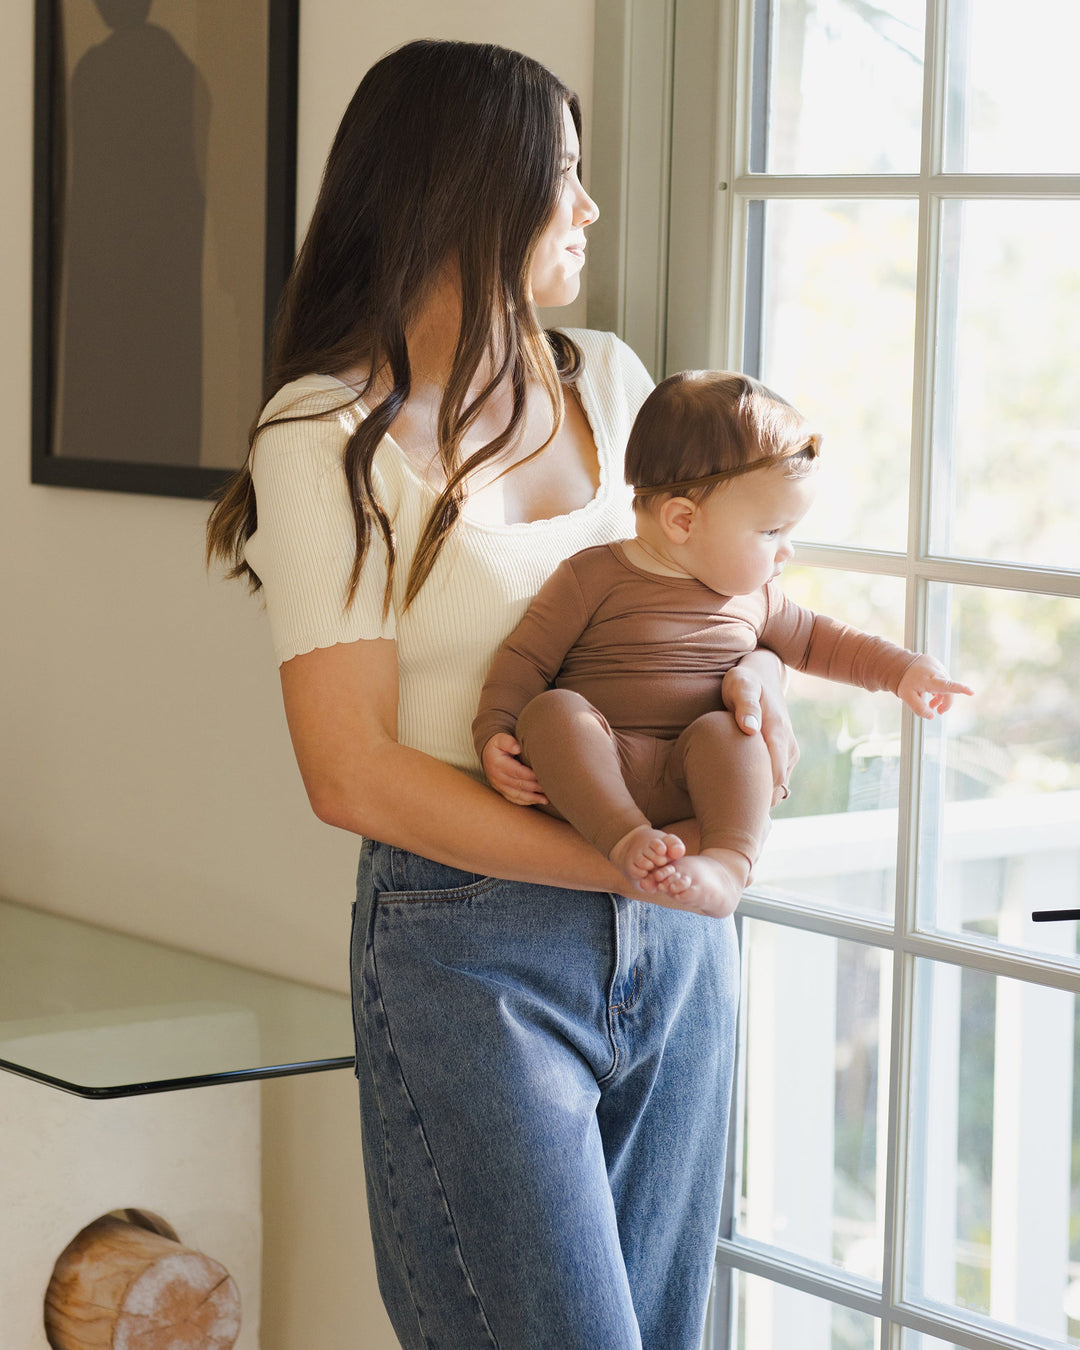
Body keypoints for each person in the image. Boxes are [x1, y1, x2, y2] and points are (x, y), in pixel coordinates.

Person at [207, 40, 797, 1350]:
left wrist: (750, 691)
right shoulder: (326, 431)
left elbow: (702, 614)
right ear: (472, 189)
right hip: (471, 948)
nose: (588, 208)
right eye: (564, 177)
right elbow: (349, 771)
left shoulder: (618, 382)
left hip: (681, 949)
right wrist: (622, 863)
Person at [475, 370, 973, 915]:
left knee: (730, 731)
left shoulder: (758, 595)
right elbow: (524, 660)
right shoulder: (589, 577)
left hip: (698, 777)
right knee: (552, 711)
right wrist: (495, 730)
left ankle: (728, 866)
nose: (787, 553)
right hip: (599, 773)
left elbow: (825, 642)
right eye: (771, 532)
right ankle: (626, 839)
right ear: (683, 520)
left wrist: (904, 671)